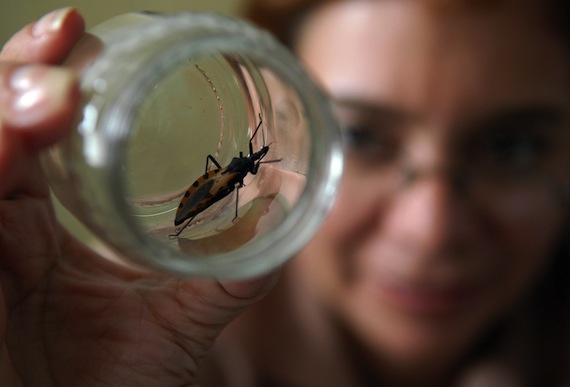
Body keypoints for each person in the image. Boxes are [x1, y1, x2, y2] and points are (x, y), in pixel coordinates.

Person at [0, 1, 568, 386]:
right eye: (356, 136)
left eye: (513, 147)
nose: (432, 230)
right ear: (274, 112)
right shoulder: (144, 341)